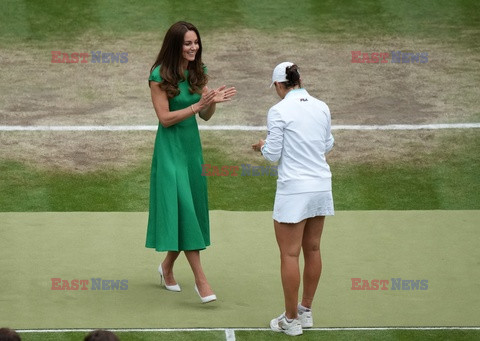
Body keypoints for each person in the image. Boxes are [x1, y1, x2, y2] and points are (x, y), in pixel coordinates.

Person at [145, 21, 236, 303]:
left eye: (195, 42)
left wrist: (211, 102)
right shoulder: (158, 75)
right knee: (184, 207)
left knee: (189, 212)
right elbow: (165, 118)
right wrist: (197, 105)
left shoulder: (199, 71)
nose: (193, 47)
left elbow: (205, 116)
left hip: (191, 150)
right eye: (187, 43)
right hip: (169, 151)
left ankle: (167, 267)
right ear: (175, 46)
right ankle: (201, 281)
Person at [252, 62, 334, 336]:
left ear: (279, 85)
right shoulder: (321, 106)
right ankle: (305, 311)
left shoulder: (278, 111)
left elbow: (273, 154)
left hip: (294, 190)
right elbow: (326, 145)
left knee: (290, 253)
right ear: (298, 80)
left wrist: (263, 146)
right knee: (313, 249)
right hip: (321, 185)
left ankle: (290, 319)